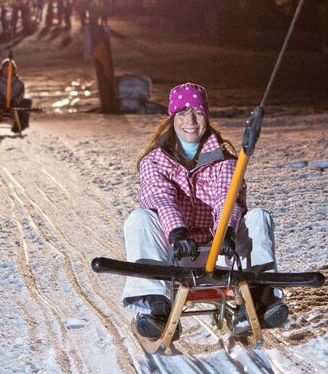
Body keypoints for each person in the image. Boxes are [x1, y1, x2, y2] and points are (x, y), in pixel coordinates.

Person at [122, 82, 289, 340]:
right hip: (175, 253)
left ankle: (260, 297)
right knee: (140, 218)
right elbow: (160, 198)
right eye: (182, 113)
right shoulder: (154, 161)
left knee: (258, 217)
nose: (190, 120)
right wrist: (178, 232)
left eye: (198, 113)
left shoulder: (224, 160)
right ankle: (156, 308)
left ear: (206, 117)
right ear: (172, 118)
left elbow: (228, 200)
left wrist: (227, 233)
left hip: (221, 249)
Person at [0, 59, 32, 133]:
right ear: (2, 70)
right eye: (6, 69)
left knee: (27, 103)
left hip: (14, 103)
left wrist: (15, 101)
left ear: (14, 70)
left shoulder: (19, 83)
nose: (8, 71)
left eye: (10, 69)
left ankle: (21, 125)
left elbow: (21, 94)